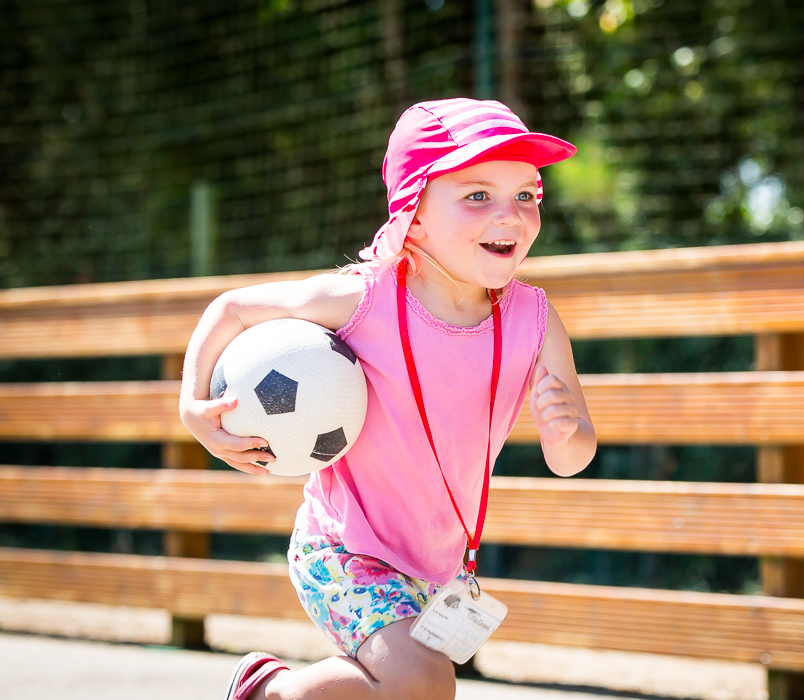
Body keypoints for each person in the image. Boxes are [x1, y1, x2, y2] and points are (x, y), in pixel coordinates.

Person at [178, 97, 597, 700]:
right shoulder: (365, 299)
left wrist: (565, 434)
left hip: (438, 564)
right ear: (414, 216)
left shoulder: (534, 319)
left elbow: (573, 456)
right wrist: (194, 407)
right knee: (424, 682)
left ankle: (269, 690)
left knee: (408, 691)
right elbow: (232, 309)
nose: (510, 214)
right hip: (342, 546)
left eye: (526, 195)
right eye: (478, 195)